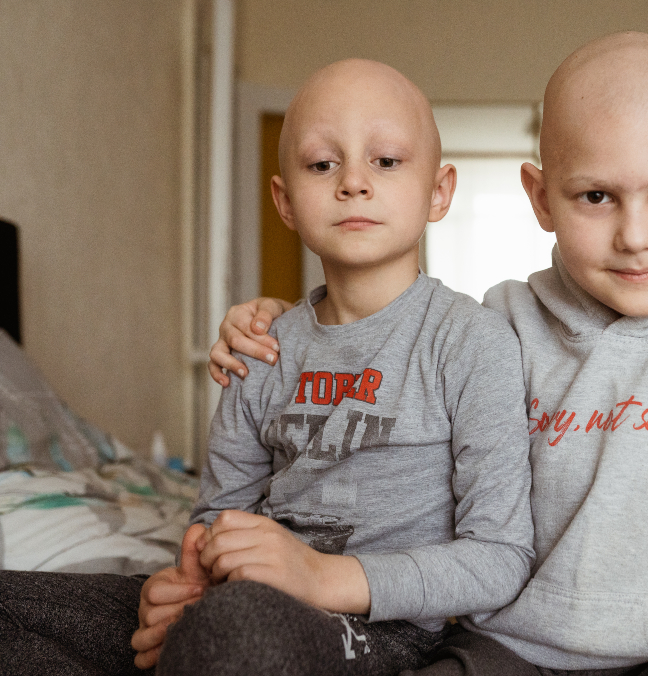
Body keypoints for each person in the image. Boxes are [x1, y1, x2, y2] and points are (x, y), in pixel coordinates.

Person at [210, 33, 648, 676]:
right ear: (541, 196)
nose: (635, 234)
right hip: (511, 642)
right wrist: (280, 323)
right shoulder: (500, 323)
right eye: (596, 197)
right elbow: (390, 346)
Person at [0, 59, 534, 676]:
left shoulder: (472, 342)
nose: (353, 182)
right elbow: (215, 517)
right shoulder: (260, 346)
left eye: (386, 160)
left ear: (439, 192)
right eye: (321, 164)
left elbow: (499, 558)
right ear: (285, 200)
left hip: (379, 632)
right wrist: (187, 586)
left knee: (236, 631)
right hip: (243, 605)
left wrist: (317, 577)